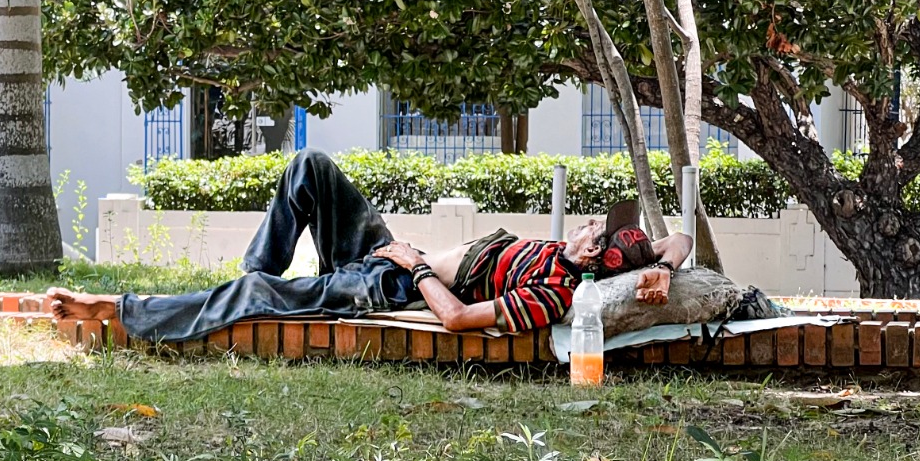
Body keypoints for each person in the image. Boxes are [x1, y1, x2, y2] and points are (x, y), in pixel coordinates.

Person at [48, 149, 693, 342]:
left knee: (252, 295)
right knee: (311, 167)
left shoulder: (553, 292)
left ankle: (118, 310)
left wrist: (413, 269)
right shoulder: (563, 254)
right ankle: (254, 281)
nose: (583, 226)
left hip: (383, 282)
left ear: (592, 256)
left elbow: (462, 318)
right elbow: (679, 239)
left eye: (592, 233)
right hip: (384, 251)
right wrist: (661, 267)